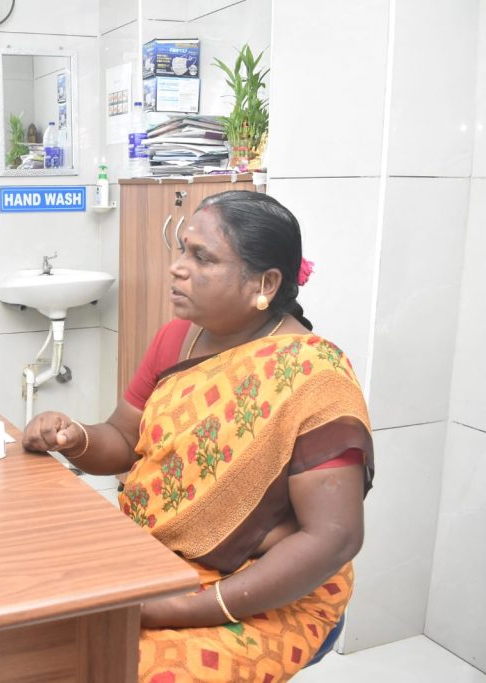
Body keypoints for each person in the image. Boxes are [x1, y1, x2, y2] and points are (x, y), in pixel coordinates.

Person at [23, 191, 373, 681]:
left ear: (266, 283)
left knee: (131, 668)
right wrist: (74, 437)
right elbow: (122, 439)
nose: (177, 267)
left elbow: (333, 538)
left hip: (264, 590)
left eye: (202, 257)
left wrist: (178, 609)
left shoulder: (315, 376)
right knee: (39, 631)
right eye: (182, 250)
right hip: (156, 556)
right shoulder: (177, 338)